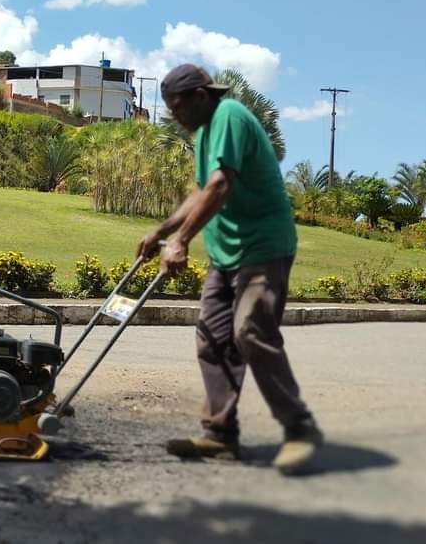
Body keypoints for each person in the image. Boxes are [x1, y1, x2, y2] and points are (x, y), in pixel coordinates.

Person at [136, 64, 322, 474]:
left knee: (251, 330)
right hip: (225, 253)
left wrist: (182, 241)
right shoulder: (204, 131)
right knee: (212, 336)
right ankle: (220, 435)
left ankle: (299, 427)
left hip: (262, 247)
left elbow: (221, 185)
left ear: (202, 96)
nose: (175, 116)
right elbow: (202, 191)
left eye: (177, 107)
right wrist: (162, 231)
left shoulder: (229, 117)